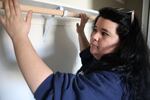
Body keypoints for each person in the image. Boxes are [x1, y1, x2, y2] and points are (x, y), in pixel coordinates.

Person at [0, 0, 150, 100]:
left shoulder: (112, 84)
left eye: (104, 33)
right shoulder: (122, 64)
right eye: (95, 29)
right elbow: (88, 57)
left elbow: (54, 91)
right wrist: (80, 32)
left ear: (124, 44)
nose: (94, 37)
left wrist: (19, 36)